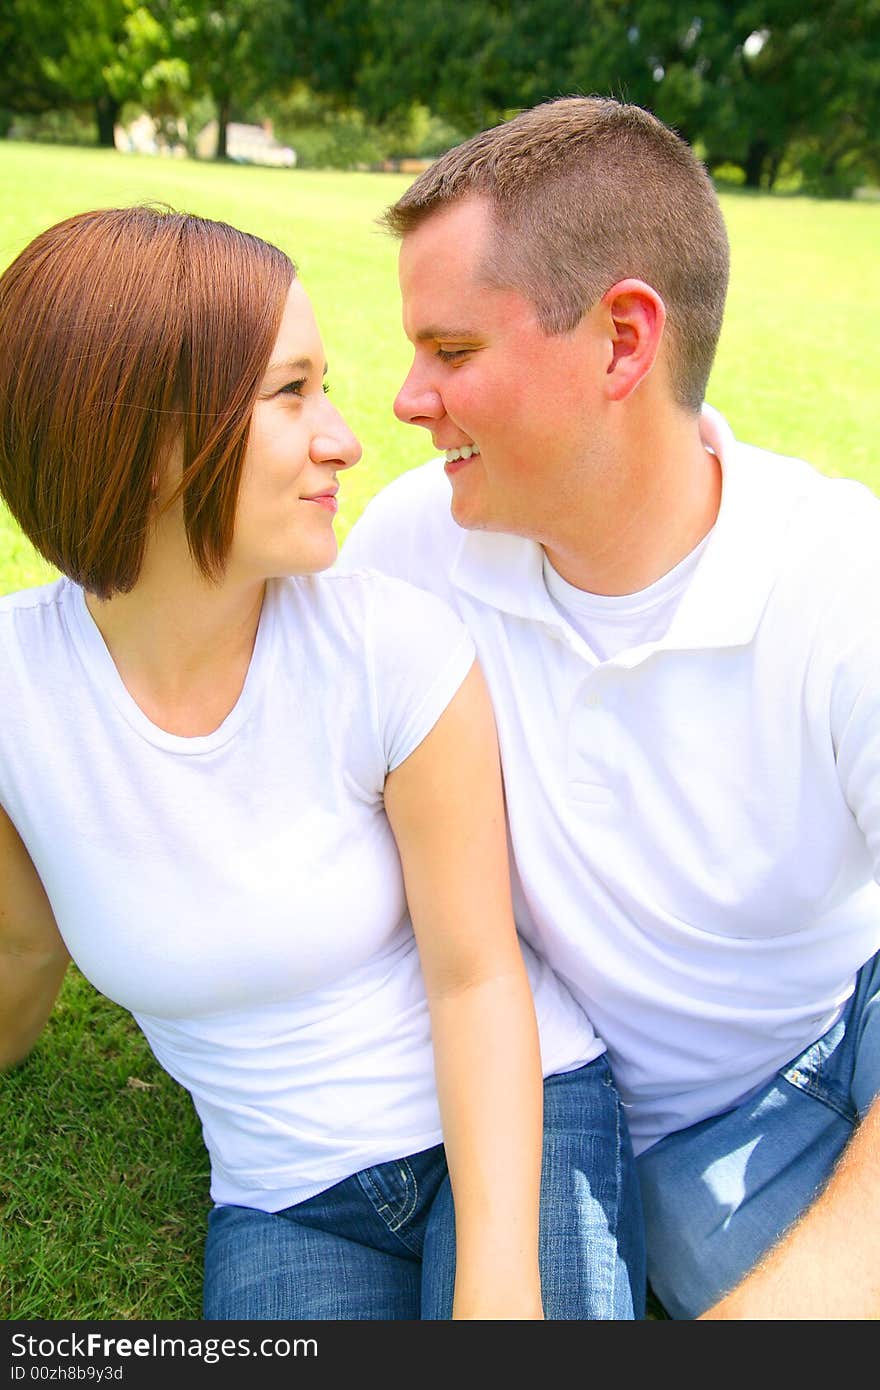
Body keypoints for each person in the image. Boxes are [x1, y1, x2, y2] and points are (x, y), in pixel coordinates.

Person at [0, 205, 645, 1321]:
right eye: (290, 393)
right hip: (285, 1196)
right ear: (147, 443)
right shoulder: (19, 693)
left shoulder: (388, 648)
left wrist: (499, 1283)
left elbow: (477, 973)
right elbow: (19, 944)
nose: (346, 435)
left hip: (518, 1116)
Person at [339, 96, 880, 1320]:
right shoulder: (411, 549)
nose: (406, 400)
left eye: (454, 352)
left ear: (623, 342)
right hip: (662, 1133)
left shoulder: (842, 573)